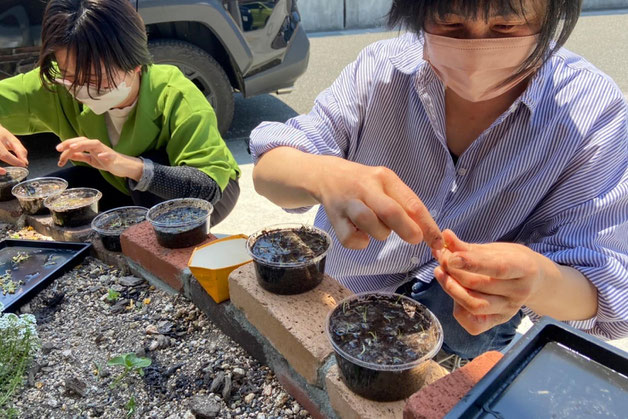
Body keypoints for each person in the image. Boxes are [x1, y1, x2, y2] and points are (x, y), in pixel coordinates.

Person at [249, 0, 628, 359]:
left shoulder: (592, 113)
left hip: (468, 325)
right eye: (451, 22)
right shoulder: (381, 70)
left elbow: (605, 292)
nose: (477, 50)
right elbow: (270, 170)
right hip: (340, 293)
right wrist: (324, 173)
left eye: (506, 25)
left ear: (550, 15)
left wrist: (538, 279)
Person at [0, 0, 240, 225]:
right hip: (116, 181)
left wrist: (126, 164)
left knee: (150, 179)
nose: (80, 88)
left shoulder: (175, 94)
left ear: (135, 64)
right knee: (39, 196)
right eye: (69, 76)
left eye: (96, 79)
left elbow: (206, 188)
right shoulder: (55, 83)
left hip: (204, 194)